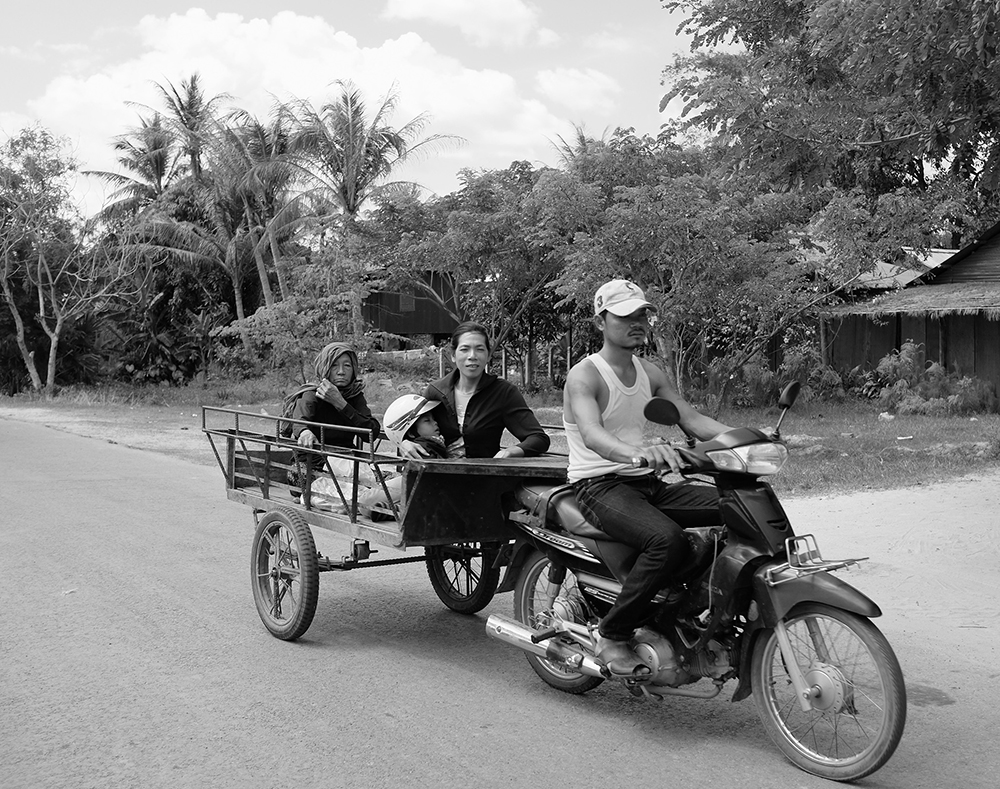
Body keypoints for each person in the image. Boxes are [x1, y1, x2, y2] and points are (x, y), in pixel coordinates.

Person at [563, 279, 732, 677]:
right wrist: (637, 453)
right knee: (665, 538)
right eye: (625, 315)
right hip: (598, 483)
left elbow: (690, 418)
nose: (637, 322)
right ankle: (614, 632)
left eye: (642, 313)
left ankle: (689, 606)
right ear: (600, 321)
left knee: (735, 506)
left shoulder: (650, 372)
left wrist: (746, 440)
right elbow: (592, 434)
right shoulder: (584, 376)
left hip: (645, 482)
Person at [397, 321, 550, 460]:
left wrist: (511, 452)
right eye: (464, 349)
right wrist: (404, 443)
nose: (472, 356)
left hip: (485, 480)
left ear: (488, 355)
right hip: (437, 479)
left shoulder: (503, 393)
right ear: (453, 355)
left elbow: (538, 438)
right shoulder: (435, 391)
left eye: (479, 349)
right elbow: (412, 430)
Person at [290, 342, 380, 476]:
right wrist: (304, 432)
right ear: (325, 368)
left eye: (347, 366)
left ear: (354, 369)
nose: (341, 372)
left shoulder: (355, 395)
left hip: (346, 460)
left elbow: (371, 433)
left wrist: (340, 403)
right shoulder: (313, 393)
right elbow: (299, 420)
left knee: (380, 486)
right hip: (313, 462)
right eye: (334, 366)